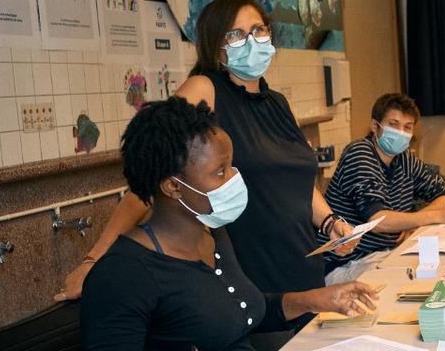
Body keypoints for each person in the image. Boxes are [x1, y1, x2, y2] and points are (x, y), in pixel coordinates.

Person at [57, 0, 362, 350]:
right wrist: (97, 257)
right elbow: (159, 164)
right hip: (249, 271)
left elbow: (291, 180)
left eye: (258, 30)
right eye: (235, 35)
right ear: (215, 47)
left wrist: (329, 223)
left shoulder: (276, 102)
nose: (251, 42)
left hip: (297, 271)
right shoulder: (205, 89)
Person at [81, 97, 377, 350]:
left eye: (232, 165)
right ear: (173, 187)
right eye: (220, 172)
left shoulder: (213, 234)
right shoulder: (123, 274)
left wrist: (317, 299)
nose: (235, 178)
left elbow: (244, 314)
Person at [320, 93, 445, 285]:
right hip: (346, 263)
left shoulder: (405, 159)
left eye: (407, 127)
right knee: (417, 282)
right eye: (393, 125)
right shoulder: (359, 153)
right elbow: (377, 220)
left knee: (440, 272)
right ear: (375, 126)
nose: (400, 132)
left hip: (383, 254)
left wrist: (410, 223)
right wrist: (435, 216)